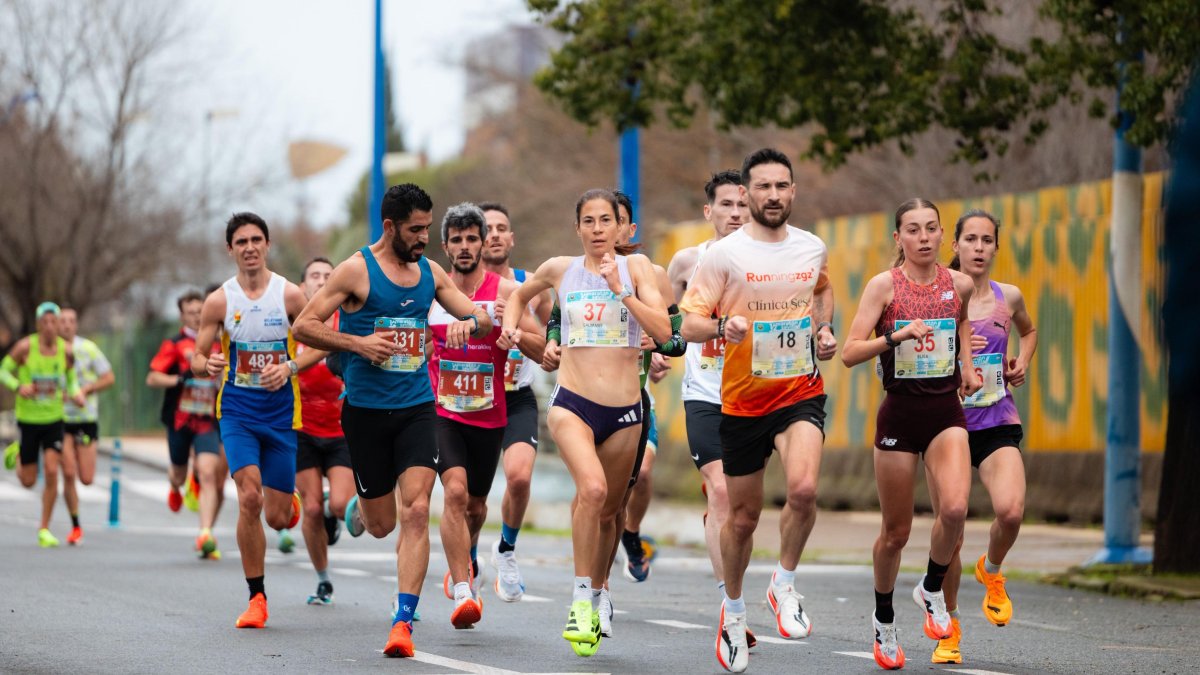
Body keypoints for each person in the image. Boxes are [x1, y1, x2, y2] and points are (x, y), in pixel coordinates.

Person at [292, 183, 492, 658]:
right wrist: (359, 345)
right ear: (390, 227)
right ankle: (364, 505)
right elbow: (304, 325)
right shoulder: (356, 271)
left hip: (417, 407)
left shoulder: (429, 272)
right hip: (364, 413)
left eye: (427, 228)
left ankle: (403, 621)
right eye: (416, 230)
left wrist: (472, 323)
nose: (424, 238)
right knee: (382, 524)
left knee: (418, 510)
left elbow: (479, 317)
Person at [680, 149, 837, 673]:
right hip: (743, 400)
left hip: (799, 391)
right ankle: (733, 607)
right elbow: (690, 323)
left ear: (794, 191)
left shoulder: (811, 247)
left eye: (782, 186)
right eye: (763, 187)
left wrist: (823, 328)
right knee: (743, 518)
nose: (774, 195)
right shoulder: (723, 255)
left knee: (805, 490)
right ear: (746, 195)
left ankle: (784, 584)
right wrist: (723, 328)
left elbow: (822, 289)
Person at [500, 188, 670, 656]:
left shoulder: (639, 270)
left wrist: (623, 293)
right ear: (577, 228)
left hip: (627, 410)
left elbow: (665, 331)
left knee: (611, 512)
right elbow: (518, 295)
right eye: (589, 222)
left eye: (606, 221)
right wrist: (512, 329)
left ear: (621, 227)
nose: (598, 230)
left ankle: (599, 592)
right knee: (591, 491)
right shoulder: (560, 268)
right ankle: (579, 600)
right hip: (573, 403)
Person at [840, 198, 982, 671]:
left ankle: (931, 587)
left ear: (943, 236)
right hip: (899, 415)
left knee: (957, 510)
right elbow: (848, 352)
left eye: (930, 229)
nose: (923, 238)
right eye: (912, 230)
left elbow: (960, 323)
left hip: (945, 411)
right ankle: (884, 620)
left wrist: (966, 367)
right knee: (895, 533)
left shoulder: (958, 283)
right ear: (897, 238)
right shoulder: (885, 286)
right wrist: (894, 338)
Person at [192, 212, 322, 629]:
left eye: (256, 240)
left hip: (282, 414)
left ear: (267, 245)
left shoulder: (290, 296)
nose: (249, 247)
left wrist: (290, 368)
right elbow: (197, 357)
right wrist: (207, 363)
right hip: (237, 413)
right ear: (230, 249)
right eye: (241, 241)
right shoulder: (219, 301)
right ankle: (256, 598)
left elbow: (320, 344)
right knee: (249, 497)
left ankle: (289, 506)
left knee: (276, 517)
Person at [927, 209, 1037, 664]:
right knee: (950, 533)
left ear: (995, 247)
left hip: (996, 418)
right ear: (954, 245)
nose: (977, 247)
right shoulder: (934, 295)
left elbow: (1028, 332)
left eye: (986, 240)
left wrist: (1022, 361)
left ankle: (991, 571)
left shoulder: (1007, 296)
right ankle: (947, 629)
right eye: (969, 239)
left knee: (1011, 511)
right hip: (945, 425)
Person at [430, 203, 544, 628]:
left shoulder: (504, 293)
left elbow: (537, 344)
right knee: (454, 494)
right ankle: (463, 590)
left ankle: (472, 556)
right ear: (445, 246)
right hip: (443, 412)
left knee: (476, 506)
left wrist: (513, 334)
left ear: (482, 244)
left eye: (471, 239)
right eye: (456, 240)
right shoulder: (433, 292)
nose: (464, 247)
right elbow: (416, 342)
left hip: (491, 412)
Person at [666, 169, 746, 602]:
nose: (735, 213)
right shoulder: (686, 262)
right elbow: (666, 320)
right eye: (727, 205)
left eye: (742, 204)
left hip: (754, 395)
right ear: (708, 210)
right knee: (720, 490)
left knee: (741, 508)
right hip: (704, 392)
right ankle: (729, 600)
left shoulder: (768, 264)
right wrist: (662, 350)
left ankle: (735, 579)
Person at [479, 201, 549, 602]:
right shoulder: (457, 288)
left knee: (520, 477)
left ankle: (505, 549)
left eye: (502, 227)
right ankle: (467, 561)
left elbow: (550, 339)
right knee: (471, 496)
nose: (494, 234)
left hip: (518, 397)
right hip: (472, 401)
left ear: (512, 238)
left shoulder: (530, 285)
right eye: (486, 228)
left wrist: (519, 326)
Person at [148, 290, 229, 558]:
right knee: (180, 473)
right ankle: (175, 486)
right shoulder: (174, 344)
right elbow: (152, 378)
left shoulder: (220, 344)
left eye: (200, 311)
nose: (196, 316)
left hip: (207, 420)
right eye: (191, 312)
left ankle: (205, 533)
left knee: (208, 471)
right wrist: (178, 380)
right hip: (180, 420)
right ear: (182, 315)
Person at [293, 257, 355, 606]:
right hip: (302, 429)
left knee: (341, 503)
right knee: (311, 509)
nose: (321, 280)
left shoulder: (345, 322)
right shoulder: (296, 326)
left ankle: (336, 513)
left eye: (328, 276)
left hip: (341, 428)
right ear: (303, 286)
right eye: (314, 275)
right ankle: (322, 579)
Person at [2, 302, 86, 547]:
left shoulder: (66, 351)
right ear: (39, 324)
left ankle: (44, 528)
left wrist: (76, 393)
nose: (50, 327)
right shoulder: (25, 347)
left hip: (54, 419)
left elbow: (70, 381)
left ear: (58, 324)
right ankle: (18, 454)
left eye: (54, 322)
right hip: (29, 420)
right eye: (45, 322)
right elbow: (3, 371)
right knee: (28, 481)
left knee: (51, 471)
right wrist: (19, 386)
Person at [57, 307, 115, 545]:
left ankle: (76, 523)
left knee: (87, 478)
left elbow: (109, 377)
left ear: (76, 324)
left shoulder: (88, 349)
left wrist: (87, 389)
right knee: (68, 473)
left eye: (71, 321)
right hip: (60, 420)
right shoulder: (50, 351)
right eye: (63, 321)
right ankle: (76, 526)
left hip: (85, 419)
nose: (67, 325)